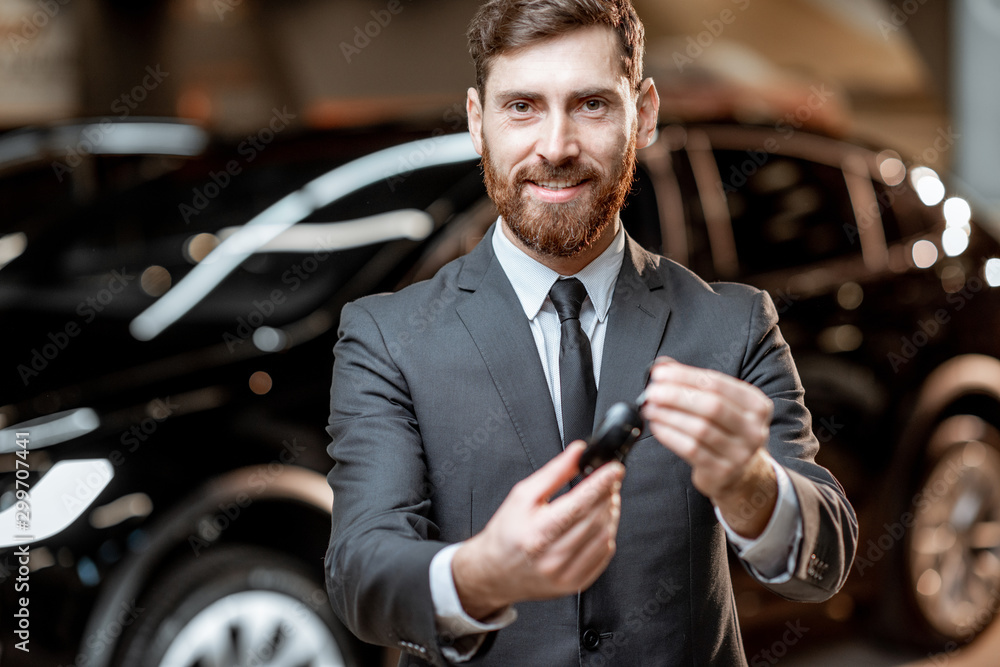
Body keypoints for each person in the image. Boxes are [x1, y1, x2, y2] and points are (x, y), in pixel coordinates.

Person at [325, 1, 857, 664]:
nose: (555, 146)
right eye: (522, 106)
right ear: (475, 121)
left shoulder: (734, 323)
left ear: (647, 114)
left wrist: (752, 485)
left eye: (592, 105)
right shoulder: (387, 336)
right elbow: (360, 571)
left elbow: (826, 559)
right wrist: (482, 571)